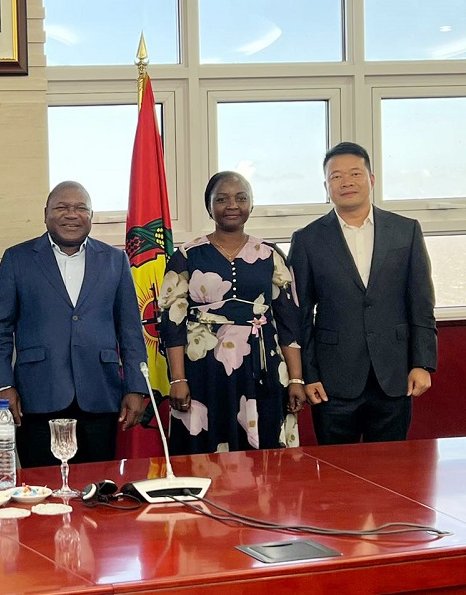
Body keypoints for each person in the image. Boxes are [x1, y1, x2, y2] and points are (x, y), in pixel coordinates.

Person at [0, 181, 150, 467]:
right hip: (37, 397)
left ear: (91, 215)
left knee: (97, 484)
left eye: (80, 208)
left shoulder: (115, 260)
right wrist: (2, 385)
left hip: (100, 394)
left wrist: (136, 387)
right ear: (45, 214)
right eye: (62, 207)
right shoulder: (17, 259)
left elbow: (130, 331)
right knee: (41, 486)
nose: (71, 214)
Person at [289, 142, 437, 445]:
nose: (346, 182)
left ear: (371, 179)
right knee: (336, 468)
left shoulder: (405, 231)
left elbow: (421, 303)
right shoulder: (307, 239)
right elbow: (299, 314)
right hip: (332, 381)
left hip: (394, 375)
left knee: (390, 465)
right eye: (336, 176)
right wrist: (308, 375)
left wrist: (422, 363)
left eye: (355, 173)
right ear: (326, 186)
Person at [158, 171, 306, 454]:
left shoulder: (270, 254)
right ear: (209, 206)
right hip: (203, 370)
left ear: (251, 204)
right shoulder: (187, 255)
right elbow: (171, 323)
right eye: (222, 199)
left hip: (262, 367)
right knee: (204, 450)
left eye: (241, 198)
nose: (232, 205)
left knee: (264, 450)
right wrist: (178, 379)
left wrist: (296, 379)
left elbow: (289, 322)